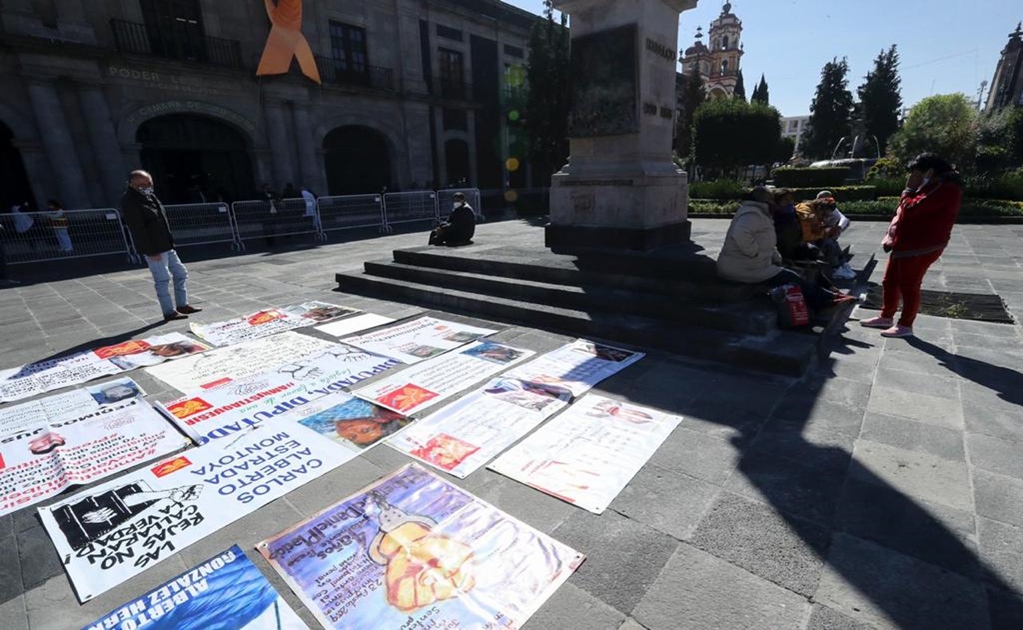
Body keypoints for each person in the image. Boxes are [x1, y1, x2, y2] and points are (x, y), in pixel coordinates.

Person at [861, 153, 962, 338]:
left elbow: (911, 209)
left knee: (909, 285)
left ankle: (905, 325)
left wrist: (908, 190)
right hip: (905, 243)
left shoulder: (944, 188)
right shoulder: (931, 186)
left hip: (920, 246)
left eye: (915, 173)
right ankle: (886, 316)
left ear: (929, 171)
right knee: (889, 281)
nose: (911, 177)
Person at [716, 187, 854, 311]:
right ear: (764, 200)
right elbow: (740, 233)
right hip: (743, 267)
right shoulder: (752, 214)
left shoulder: (760, 213)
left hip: (750, 264)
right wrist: (755, 253)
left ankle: (829, 296)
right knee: (792, 278)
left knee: (799, 272)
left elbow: (767, 241)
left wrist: (775, 257)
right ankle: (825, 300)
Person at [121, 170, 202, 321]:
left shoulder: (149, 195)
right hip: (154, 248)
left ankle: (182, 304)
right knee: (162, 279)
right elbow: (138, 229)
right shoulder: (130, 201)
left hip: (166, 245)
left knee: (180, 273)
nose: (147, 186)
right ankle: (169, 311)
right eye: (142, 184)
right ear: (132, 183)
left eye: (149, 183)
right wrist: (150, 251)